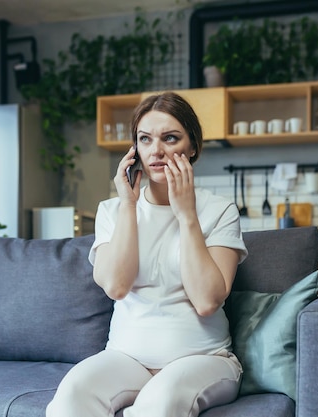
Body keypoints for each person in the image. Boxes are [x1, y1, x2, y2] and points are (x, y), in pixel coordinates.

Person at [46, 92, 248, 417]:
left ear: (192, 147)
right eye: (145, 139)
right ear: (134, 148)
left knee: (160, 401)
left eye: (170, 138)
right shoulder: (113, 210)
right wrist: (128, 204)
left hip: (204, 359)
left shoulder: (218, 210)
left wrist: (186, 215)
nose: (156, 151)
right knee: (71, 396)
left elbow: (207, 300)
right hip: (127, 359)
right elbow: (116, 286)